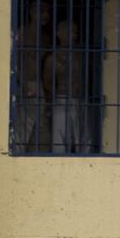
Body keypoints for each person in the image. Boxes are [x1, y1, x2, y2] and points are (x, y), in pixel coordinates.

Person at [43, 14, 87, 153]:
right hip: (61, 100)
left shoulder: (82, 54)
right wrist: (57, 98)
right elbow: (47, 82)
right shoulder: (53, 58)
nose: (73, 35)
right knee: (60, 142)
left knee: (83, 140)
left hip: (81, 100)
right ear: (58, 34)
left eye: (75, 32)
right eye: (69, 31)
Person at [12, 0, 51, 152]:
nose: (45, 15)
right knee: (24, 123)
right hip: (25, 83)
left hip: (39, 84)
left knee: (41, 123)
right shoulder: (21, 33)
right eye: (41, 11)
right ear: (31, 12)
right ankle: (18, 152)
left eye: (47, 12)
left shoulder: (46, 38)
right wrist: (22, 84)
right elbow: (15, 60)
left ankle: (38, 155)